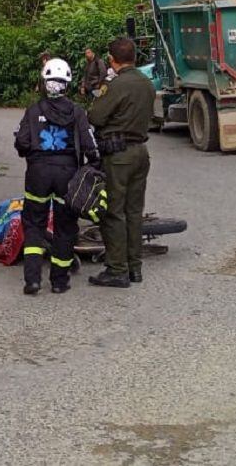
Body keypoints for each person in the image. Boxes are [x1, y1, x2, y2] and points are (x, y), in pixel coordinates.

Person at [14, 58, 98, 295]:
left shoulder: (33, 111)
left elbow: (21, 143)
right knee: (65, 227)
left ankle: (32, 280)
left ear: (44, 82)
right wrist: (96, 169)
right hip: (67, 175)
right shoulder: (77, 112)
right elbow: (91, 147)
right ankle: (59, 281)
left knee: (33, 225)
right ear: (67, 84)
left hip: (37, 174)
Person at [86, 37, 155, 289]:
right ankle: (134, 267)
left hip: (118, 156)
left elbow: (95, 115)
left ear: (112, 60)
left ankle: (117, 270)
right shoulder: (146, 83)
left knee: (114, 212)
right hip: (140, 152)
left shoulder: (116, 84)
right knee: (134, 212)